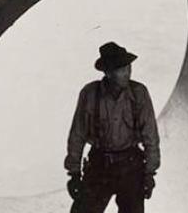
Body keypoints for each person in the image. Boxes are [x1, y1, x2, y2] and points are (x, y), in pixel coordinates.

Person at [65, 42, 160, 213]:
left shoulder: (138, 93)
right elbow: (77, 135)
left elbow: (150, 135)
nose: (127, 73)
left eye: (128, 68)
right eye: (121, 70)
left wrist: (149, 173)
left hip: (131, 167)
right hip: (99, 166)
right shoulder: (90, 93)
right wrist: (74, 173)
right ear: (108, 72)